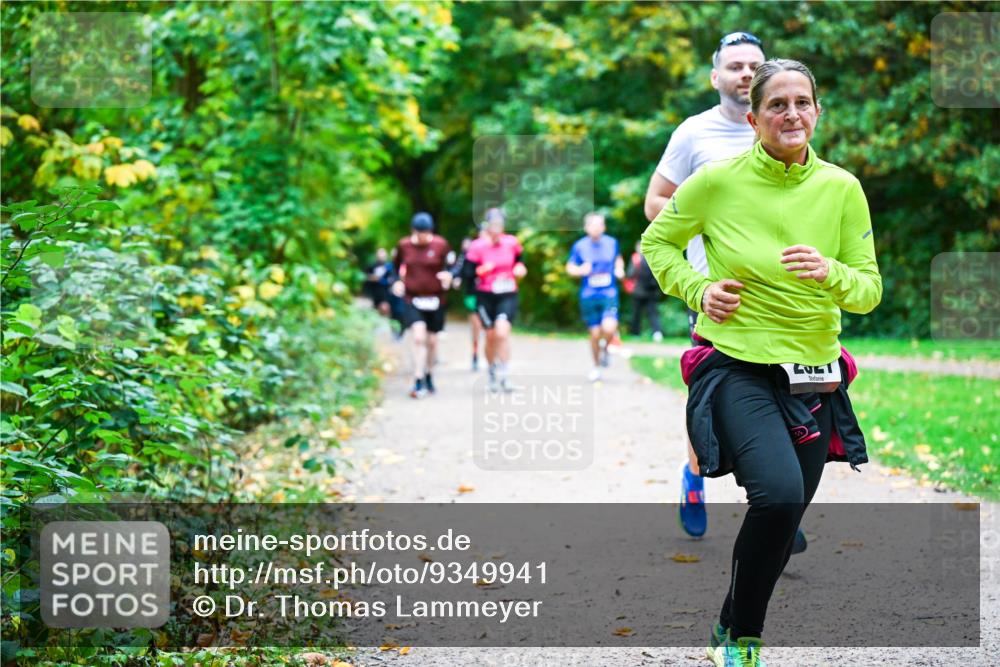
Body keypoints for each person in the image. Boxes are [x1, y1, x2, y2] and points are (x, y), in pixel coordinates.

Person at [641, 58, 881, 667]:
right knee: (775, 497)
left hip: (814, 374)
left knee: (786, 512)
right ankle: (746, 641)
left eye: (803, 102)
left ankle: (729, 624)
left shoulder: (841, 189)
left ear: (818, 113)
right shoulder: (718, 182)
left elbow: (868, 290)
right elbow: (657, 242)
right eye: (778, 104)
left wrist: (831, 272)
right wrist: (699, 290)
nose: (792, 114)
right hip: (738, 363)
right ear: (754, 118)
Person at [644, 31, 766, 540]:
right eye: (734, 66)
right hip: (715, 289)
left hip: (780, 289)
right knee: (713, 392)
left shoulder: (784, 126)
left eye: (754, 66)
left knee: (786, 388)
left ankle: (774, 498)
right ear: (715, 77)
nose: (745, 74)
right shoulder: (695, 134)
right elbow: (655, 204)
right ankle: (694, 474)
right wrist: (706, 228)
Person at [391, 212, 454, 399]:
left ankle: (428, 373)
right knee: (418, 337)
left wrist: (449, 276)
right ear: (413, 231)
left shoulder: (441, 245)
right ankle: (417, 379)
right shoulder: (404, 245)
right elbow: (394, 267)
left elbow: (453, 266)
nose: (424, 237)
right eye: (420, 234)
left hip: (436, 299)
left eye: (427, 233)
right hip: (413, 298)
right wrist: (396, 282)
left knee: (432, 341)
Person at [465, 208, 526, 393]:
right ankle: (491, 371)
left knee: (502, 333)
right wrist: (481, 271)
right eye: (494, 225)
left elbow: (520, 261)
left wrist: (520, 268)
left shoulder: (512, 243)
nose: (497, 228)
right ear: (487, 226)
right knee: (490, 336)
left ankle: (505, 375)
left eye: (500, 225)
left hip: (507, 294)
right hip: (485, 295)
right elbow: (467, 273)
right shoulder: (477, 246)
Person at [566, 212, 625, 382]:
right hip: (589, 295)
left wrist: (619, 269)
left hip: (609, 293)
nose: (596, 228)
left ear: (604, 227)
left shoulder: (612, 243)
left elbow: (618, 259)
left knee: (609, 328)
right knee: (594, 334)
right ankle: (596, 366)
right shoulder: (579, 246)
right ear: (586, 228)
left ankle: (605, 349)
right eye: (593, 225)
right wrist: (579, 270)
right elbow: (570, 267)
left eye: (600, 224)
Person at [451, 232, 486, 371]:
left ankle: (492, 356)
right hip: (473, 295)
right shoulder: (470, 255)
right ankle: (475, 355)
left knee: (491, 328)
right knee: (476, 326)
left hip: (491, 295)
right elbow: (459, 270)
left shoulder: (496, 251)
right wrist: (456, 278)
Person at [626, 241, 664, 341]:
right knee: (652, 313)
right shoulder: (652, 257)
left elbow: (630, 274)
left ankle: (636, 333)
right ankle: (657, 333)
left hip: (640, 290)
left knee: (638, 313)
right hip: (650, 291)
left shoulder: (636, 258)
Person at [364, 248, 394, 318]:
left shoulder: (389, 266)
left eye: (383, 254)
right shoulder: (371, 266)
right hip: (375, 291)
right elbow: (367, 277)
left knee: (385, 307)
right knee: (377, 309)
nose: (381, 256)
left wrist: (383, 280)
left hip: (386, 291)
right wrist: (372, 278)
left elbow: (392, 278)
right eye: (380, 254)